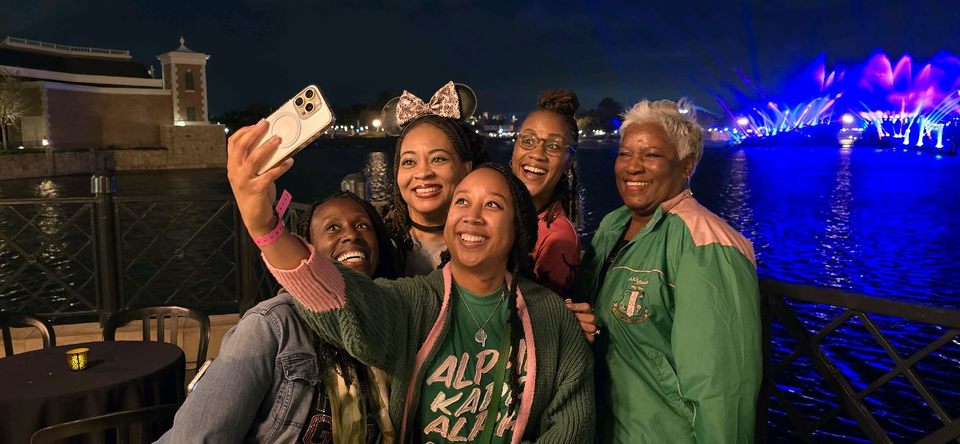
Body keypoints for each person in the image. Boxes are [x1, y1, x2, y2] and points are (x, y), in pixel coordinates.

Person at [225, 116, 595, 442]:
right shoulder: (412, 302)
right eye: (462, 202)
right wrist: (265, 227)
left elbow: (570, 427)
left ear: (519, 229)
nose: (472, 216)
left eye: (493, 205)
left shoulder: (553, 319)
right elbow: (339, 298)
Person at [572, 99, 761, 443]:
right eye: (625, 154)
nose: (633, 166)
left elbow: (722, 387)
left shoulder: (706, 244)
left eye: (651, 155)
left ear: (686, 165)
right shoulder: (613, 225)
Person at [156, 191, 397, 443]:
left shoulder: (391, 323)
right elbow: (199, 437)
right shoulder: (270, 326)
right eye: (333, 228)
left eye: (362, 226)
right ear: (307, 249)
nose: (351, 235)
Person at [379, 81, 490, 276]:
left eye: (438, 159)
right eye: (409, 162)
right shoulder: (377, 241)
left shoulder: (491, 243)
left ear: (466, 168)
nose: (423, 173)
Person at [510, 89, 582, 298]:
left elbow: (539, 313)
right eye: (528, 141)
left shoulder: (559, 239)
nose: (537, 154)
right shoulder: (490, 207)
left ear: (569, 161)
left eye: (553, 146)